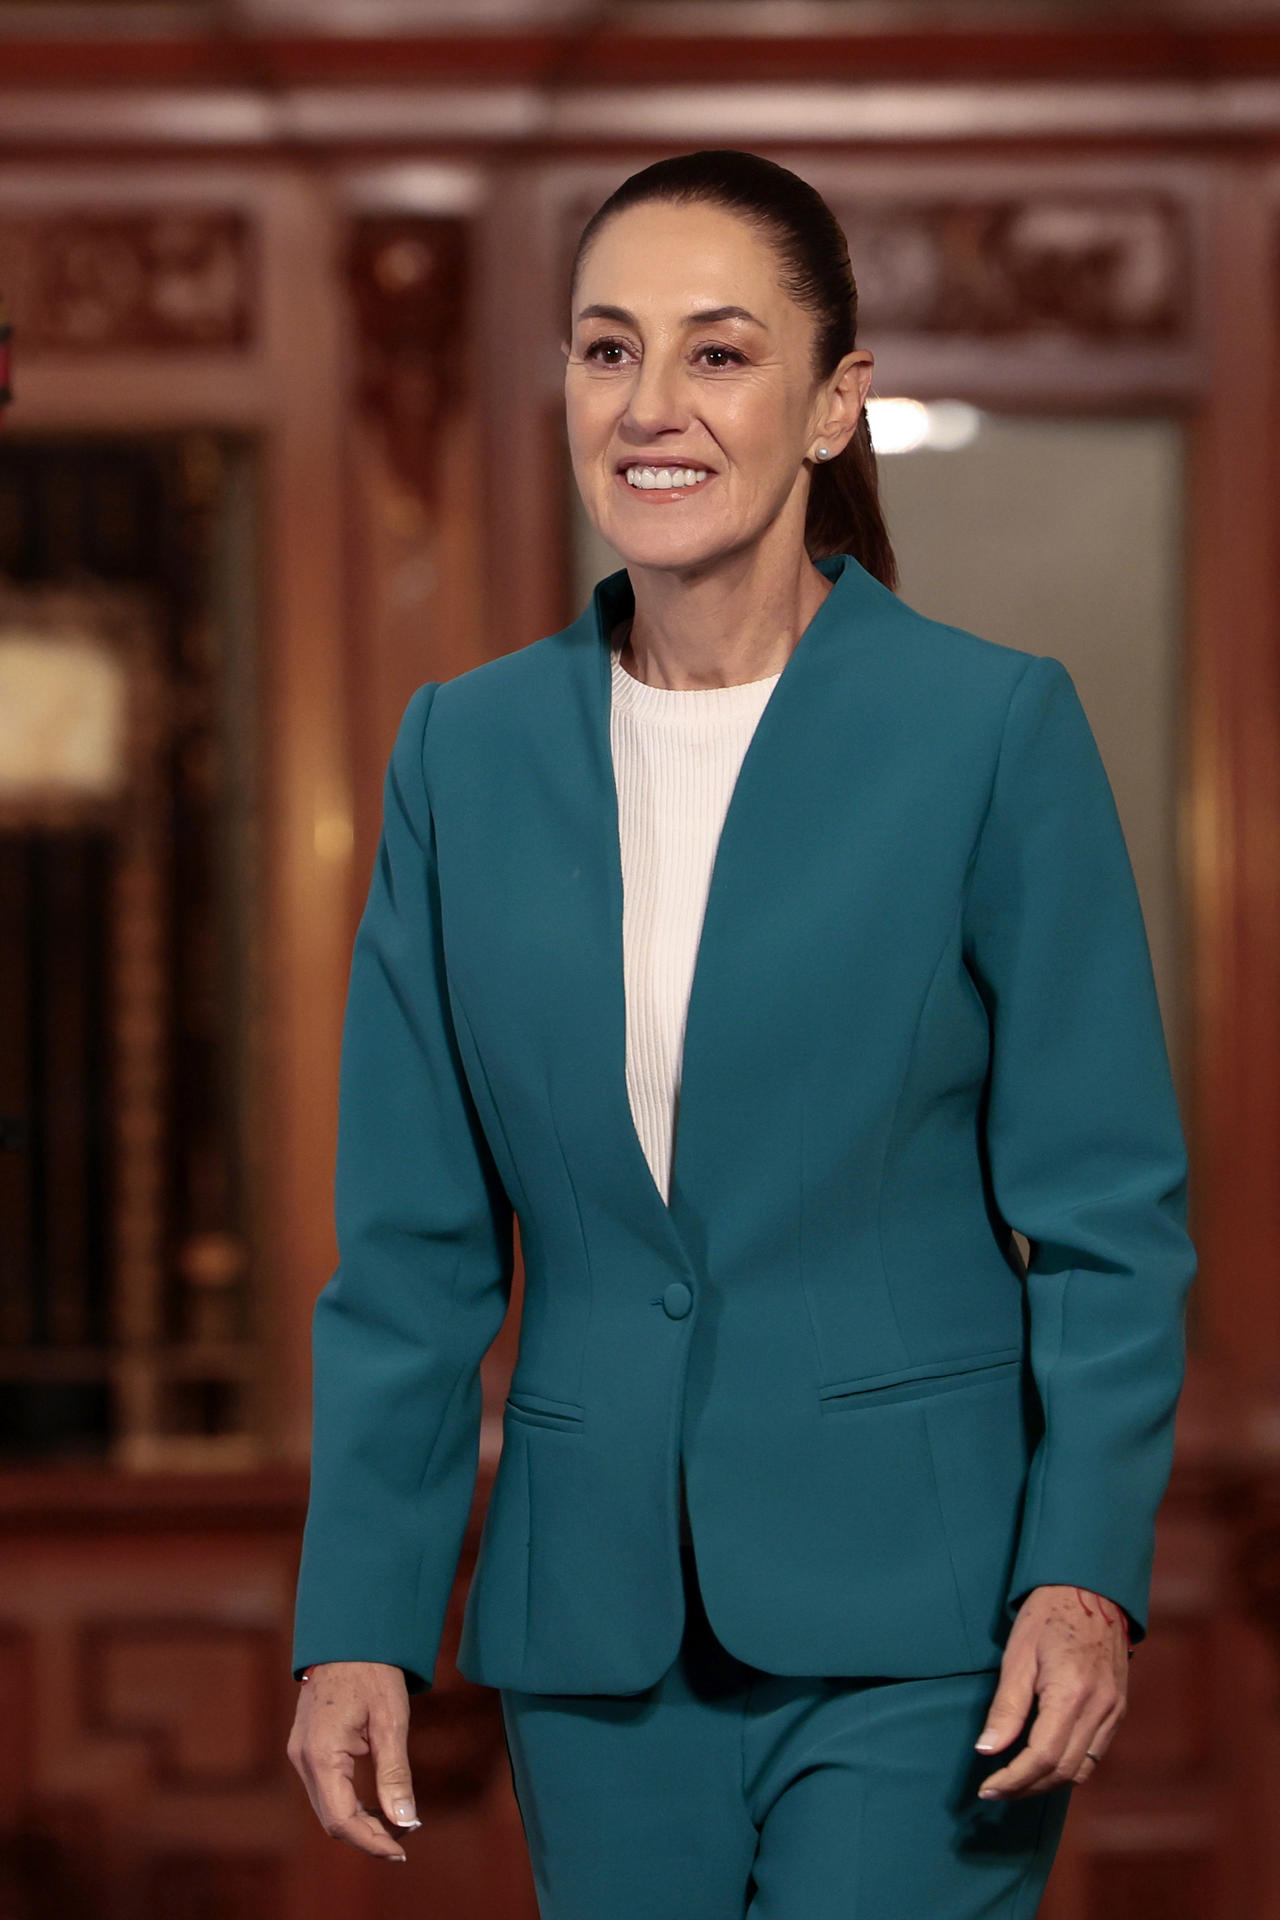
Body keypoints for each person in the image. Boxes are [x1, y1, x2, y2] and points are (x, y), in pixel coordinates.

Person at [287, 149, 1196, 1917]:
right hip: (593, 1639)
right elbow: (408, 1257)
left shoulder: (990, 732)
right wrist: (359, 1624)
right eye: (607, 349)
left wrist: (1082, 1575)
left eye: (718, 353)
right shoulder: (457, 759)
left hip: (931, 1626)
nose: (650, 405)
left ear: (835, 403)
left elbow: (1106, 1220)